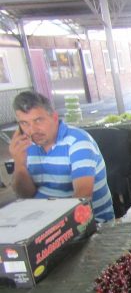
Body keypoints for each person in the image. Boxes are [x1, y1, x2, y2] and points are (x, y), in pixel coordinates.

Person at [8, 91, 115, 223]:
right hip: (41, 219)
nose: (32, 130)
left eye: (38, 120)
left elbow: (82, 197)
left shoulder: (78, 142)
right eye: (24, 123)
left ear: (54, 117)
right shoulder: (26, 145)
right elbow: (25, 195)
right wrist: (19, 165)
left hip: (86, 222)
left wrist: (52, 229)